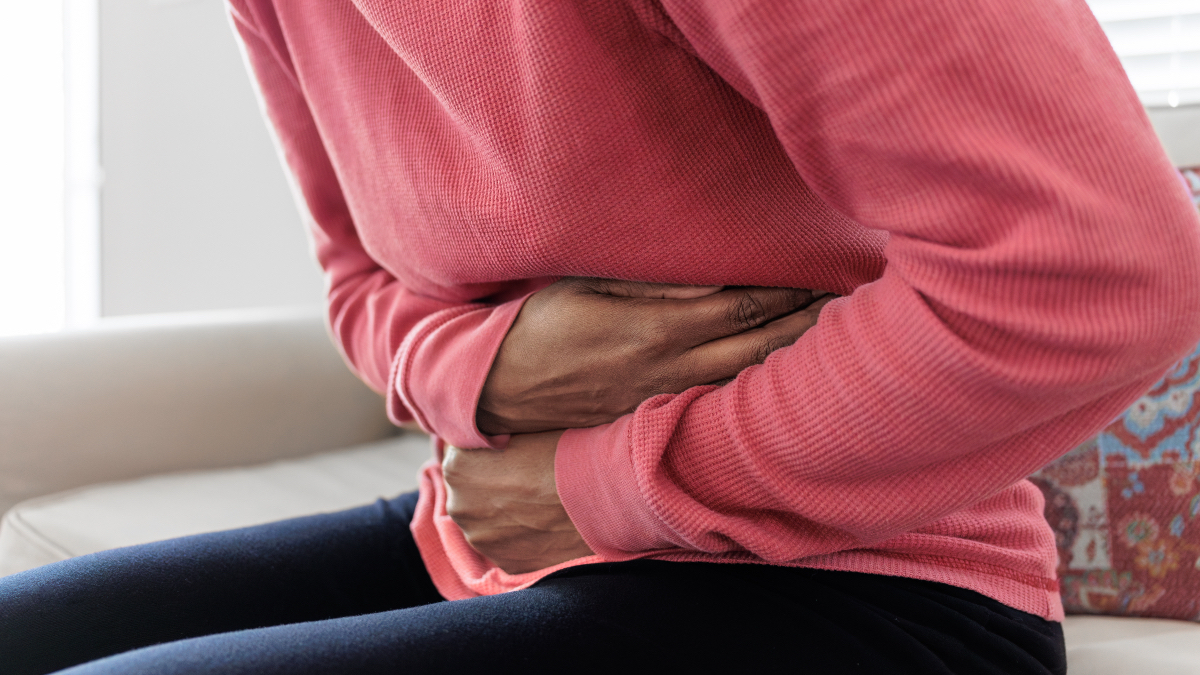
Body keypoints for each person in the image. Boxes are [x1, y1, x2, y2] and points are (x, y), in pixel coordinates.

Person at [4, 1, 1200, 672]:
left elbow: (1093, 270)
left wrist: (602, 487)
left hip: (870, 594)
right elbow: (356, 280)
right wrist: (487, 368)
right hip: (490, 531)